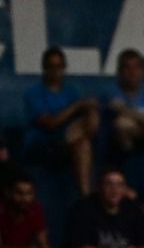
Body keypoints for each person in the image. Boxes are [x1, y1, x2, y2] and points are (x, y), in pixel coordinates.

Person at [24, 46, 98, 197]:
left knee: (85, 137)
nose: (55, 71)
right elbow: (50, 124)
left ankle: (86, 198)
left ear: (64, 68)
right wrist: (77, 105)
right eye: (51, 66)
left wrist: (89, 107)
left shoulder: (71, 91)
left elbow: (88, 123)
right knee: (80, 138)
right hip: (43, 144)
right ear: (44, 68)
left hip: (67, 143)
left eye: (59, 66)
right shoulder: (33, 93)